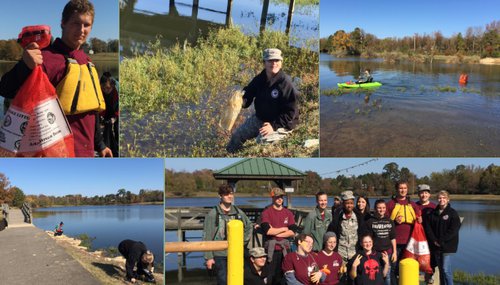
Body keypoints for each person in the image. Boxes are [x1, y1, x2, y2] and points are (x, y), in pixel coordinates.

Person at [0, 0, 112, 157]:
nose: (81, 30)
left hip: (88, 151)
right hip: (58, 152)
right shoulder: (44, 58)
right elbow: (5, 88)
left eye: (86, 25)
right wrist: (24, 65)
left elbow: (92, 110)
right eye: (75, 23)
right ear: (63, 23)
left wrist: (101, 144)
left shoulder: (88, 62)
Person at [226, 48, 299, 153]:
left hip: (282, 123)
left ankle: (252, 151)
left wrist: (273, 126)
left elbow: (290, 112)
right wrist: (239, 101)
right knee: (237, 136)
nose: (274, 63)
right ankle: (230, 154)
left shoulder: (287, 84)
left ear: (281, 63)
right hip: (261, 118)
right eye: (270, 60)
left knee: (261, 141)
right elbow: (248, 95)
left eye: (277, 60)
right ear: (264, 63)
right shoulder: (260, 78)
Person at [203, 184, 252, 285]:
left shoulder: (238, 212)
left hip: (236, 253)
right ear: (220, 196)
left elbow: (249, 226)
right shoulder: (213, 214)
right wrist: (209, 257)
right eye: (226, 194)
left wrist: (242, 241)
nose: (229, 196)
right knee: (223, 281)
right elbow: (207, 236)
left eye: (231, 194)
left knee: (238, 279)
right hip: (219, 254)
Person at [260, 187, 298, 285]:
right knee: (269, 276)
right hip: (271, 251)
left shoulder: (288, 213)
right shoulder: (266, 212)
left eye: (281, 197)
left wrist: (276, 231)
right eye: (277, 197)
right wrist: (284, 228)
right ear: (272, 198)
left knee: (283, 276)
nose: (280, 199)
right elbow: (268, 231)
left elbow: (293, 231)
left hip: (285, 249)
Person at [385, 181, 422, 283]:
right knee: (393, 268)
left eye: (405, 188)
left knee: (406, 267)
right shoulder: (390, 204)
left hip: (409, 242)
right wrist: (394, 221)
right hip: (394, 242)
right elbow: (384, 221)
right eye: (401, 188)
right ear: (397, 189)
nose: (403, 190)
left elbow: (419, 215)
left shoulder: (412, 204)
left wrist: (420, 219)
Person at [424, 191, 461, 285]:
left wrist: (441, 240)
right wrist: (434, 240)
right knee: (440, 269)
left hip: (447, 246)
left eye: (444, 198)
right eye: (440, 198)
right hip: (436, 246)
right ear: (437, 199)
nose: (442, 200)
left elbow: (453, 230)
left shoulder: (453, 213)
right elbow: (428, 229)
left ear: (448, 199)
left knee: (445, 269)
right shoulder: (432, 213)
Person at [327, 190, 368, 264]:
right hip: (341, 254)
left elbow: (363, 234)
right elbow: (331, 233)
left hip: (354, 254)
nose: (349, 205)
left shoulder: (358, 217)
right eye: (347, 203)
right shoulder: (337, 217)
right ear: (343, 204)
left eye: (351, 203)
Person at [366, 200, 397, 285]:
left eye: (383, 208)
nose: (381, 210)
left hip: (388, 252)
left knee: (387, 275)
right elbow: (368, 239)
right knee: (375, 274)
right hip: (375, 252)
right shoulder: (370, 221)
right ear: (375, 208)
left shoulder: (389, 221)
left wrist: (394, 252)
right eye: (379, 208)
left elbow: (393, 238)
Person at [416, 184, 437, 285]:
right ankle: (415, 278)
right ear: (418, 194)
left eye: (426, 193)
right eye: (421, 193)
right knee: (416, 258)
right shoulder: (414, 205)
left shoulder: (434, 207)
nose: (424, 195)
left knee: (430, 259)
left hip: (430, 239)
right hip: (417, 238)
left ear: (429, 194)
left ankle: (429, 277)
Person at [100, 73, 119, 157]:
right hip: (106, 109)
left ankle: (117, 150)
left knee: (117, 129)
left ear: (113, 86)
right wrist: (101, 118)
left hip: (116, 110)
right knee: (107, 129)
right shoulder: (99, 90)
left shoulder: (117, 91)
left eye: (108, 88)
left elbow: (119, 108)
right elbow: (99, 105)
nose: (106, 90)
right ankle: (107, 149)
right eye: (103, 88)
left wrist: (115, 118)